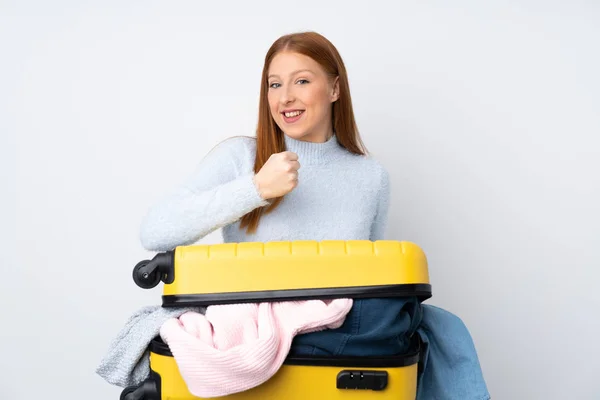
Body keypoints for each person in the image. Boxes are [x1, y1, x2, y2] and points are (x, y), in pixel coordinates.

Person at [139, 31, 490, 400]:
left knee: (405, 318)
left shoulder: (370, 177)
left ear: (335, 89)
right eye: (274, 85)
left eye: (301, 81)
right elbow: (156, 230)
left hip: (342, 335)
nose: (285, 97)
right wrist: (255, 189)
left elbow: (372, 276)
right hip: (258, 329)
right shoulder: (242, 157)